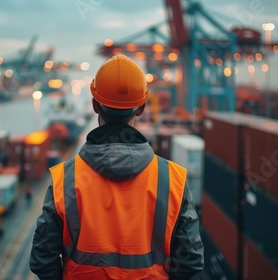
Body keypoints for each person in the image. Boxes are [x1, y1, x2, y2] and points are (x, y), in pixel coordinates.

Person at [30, 54, 204, 279]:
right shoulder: (172, 180)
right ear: (141, 108)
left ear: (94, 105)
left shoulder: (66, 180)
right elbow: (190, 261)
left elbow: (42, 258)